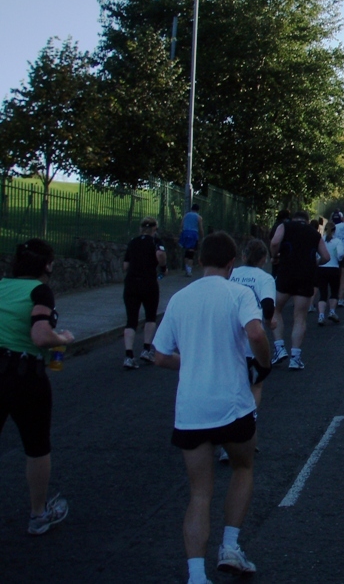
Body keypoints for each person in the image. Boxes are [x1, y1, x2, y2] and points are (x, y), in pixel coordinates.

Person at [153, 232, 271, 583]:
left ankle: (195, 575)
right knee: (242, 468)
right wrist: (264, 364)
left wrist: (188, 363)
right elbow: (256, 333)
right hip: (233, 403)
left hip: (192, 408)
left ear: (202, 259)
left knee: (199, 492)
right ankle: (231, 546)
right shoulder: (239, 293)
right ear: (232, 263)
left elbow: (159, 355)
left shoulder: (179, 299)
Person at [0, 239, 74, 536]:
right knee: (36, 446)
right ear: (46, 265)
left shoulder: (2, 285)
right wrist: (64, 339)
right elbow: (41, 336)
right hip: (24, 375)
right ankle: (39, 514)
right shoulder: (40, 291)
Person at [270, 210, 330, 369]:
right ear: (307, 220)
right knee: (300, 317)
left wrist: (274, 256)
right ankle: (295, 357)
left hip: (286, 273)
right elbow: (326, 257)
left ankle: (279, 347)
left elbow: (275, 242)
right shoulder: (314, 233)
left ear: (294, 218)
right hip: (305, 277)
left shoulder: (285, 226)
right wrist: (316, 263)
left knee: (275, 309)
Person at [229, 239, 276, 409]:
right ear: (263, 259)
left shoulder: (231, 274)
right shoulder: (264, 278)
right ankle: (250, 417)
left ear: (242, 255)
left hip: (228, 336)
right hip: (250, 341)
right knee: (255, 383)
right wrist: (269, 321)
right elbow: (268, 305)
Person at [122, 216, 167, 370]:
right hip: (148, 282)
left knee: (131, 319)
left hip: (131, 283)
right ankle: (146, 349)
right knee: (150, 316)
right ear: (154, 228)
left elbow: (125, 266)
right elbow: (160, 255)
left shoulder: (133, 242)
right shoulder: (156, 242)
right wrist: (163, 267)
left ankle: (129, 356)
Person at [316, 222, 344, 325]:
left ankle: (321, 315)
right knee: (334, 291)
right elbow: (341, 254)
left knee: (323, 293)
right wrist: (338, 258)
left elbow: (316, 254)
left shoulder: (320, 240)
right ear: (334, 230)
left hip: (322, 268)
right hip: (334, 268)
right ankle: (332, 311)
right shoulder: (337, 241)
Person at [179, 203, 204, 277]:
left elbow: (181, 225)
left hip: (185, 233)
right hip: (193, 234)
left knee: (186, 252)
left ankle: (187, 269)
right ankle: (189, 270)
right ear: (198, 210)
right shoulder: (198, 217)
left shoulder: (186, 215)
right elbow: (200, 228)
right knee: (191, 253)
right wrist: (202, 237)